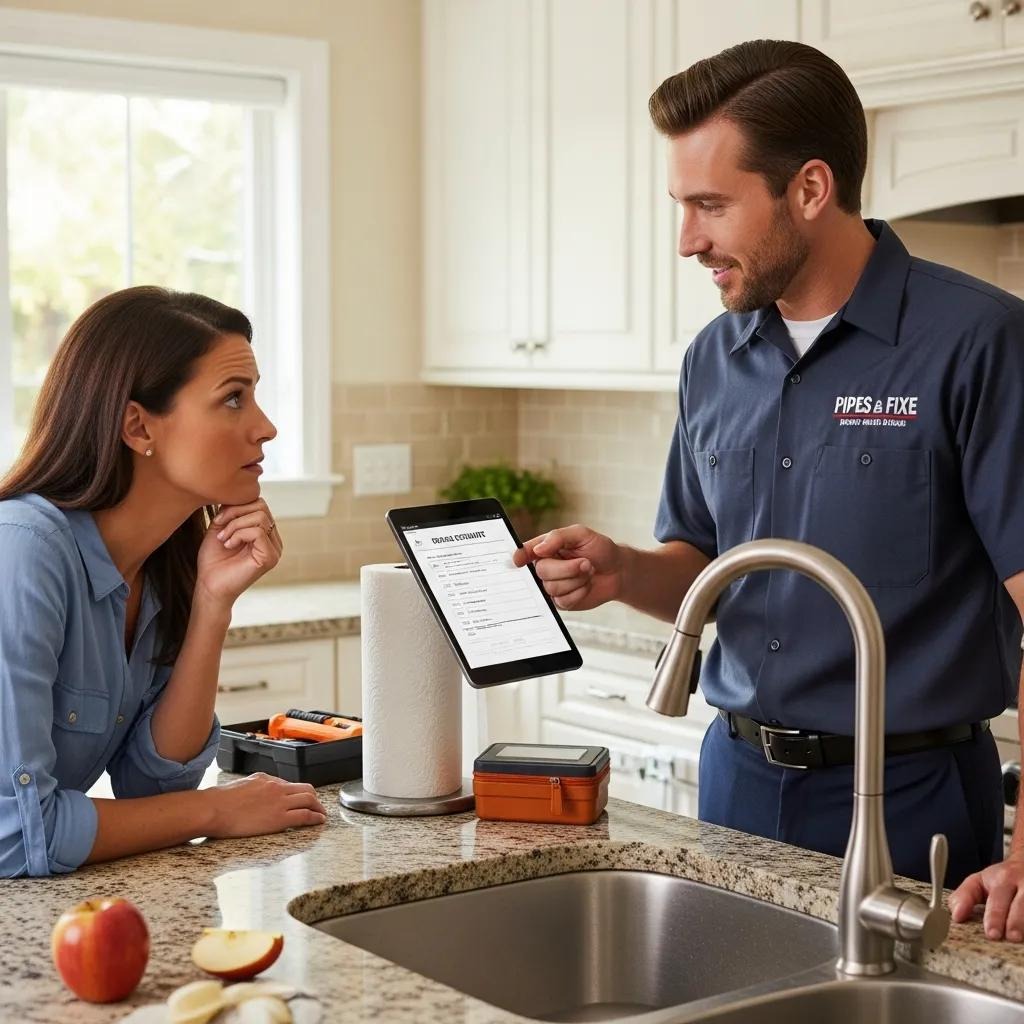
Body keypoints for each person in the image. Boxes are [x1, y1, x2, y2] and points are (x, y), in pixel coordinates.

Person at [515, 40, 1024, 940]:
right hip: (737, 779)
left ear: (811, 189)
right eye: (682, 206)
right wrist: (622, 569)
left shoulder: (977, 342)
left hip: (914, 798)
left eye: (711, 205)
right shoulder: (714, 359)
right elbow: (706, 565)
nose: (687, 241)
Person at [0, 286, 327, 877]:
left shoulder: (160, 564)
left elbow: (153, 785)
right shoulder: (23, 553)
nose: (267, 427)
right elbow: (17, 836)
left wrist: (211, 606)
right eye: (233, 399)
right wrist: (216, 812)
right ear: (137, 426)